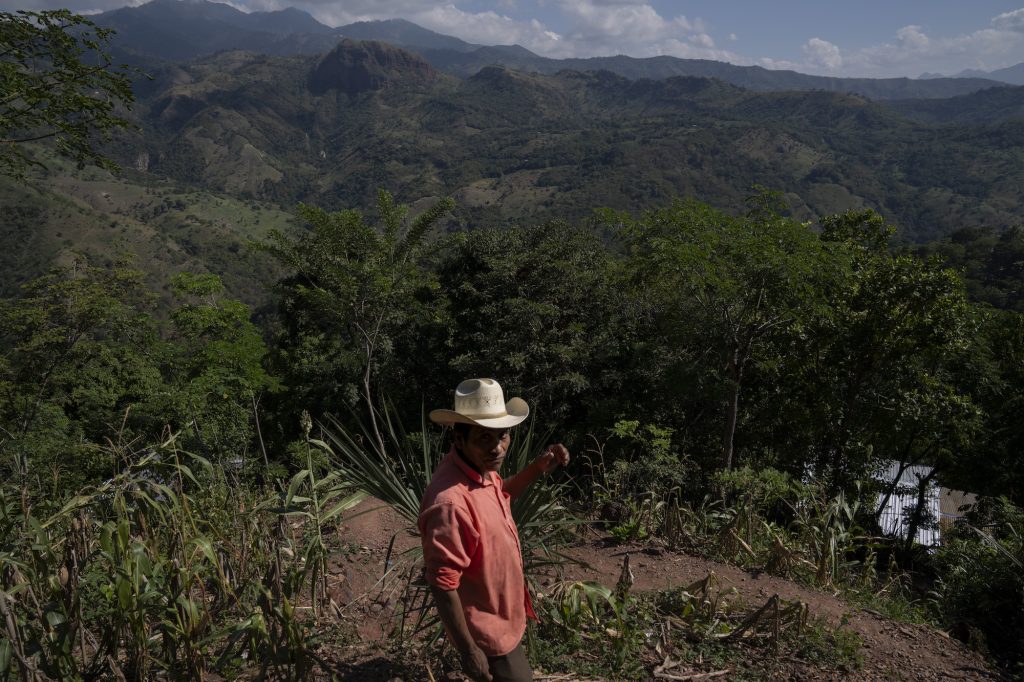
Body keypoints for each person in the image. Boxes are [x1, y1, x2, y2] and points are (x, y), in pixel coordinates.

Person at [418, 378, 570, 682]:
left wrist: (537, 468)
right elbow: (443, 584)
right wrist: (468, 651)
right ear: (459, 439)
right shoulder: (450, 503)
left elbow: (501, 492)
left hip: (503, 614)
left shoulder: (479, 470)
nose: (497, 448)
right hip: (486, 632)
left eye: (502, 436)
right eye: (484, 439)